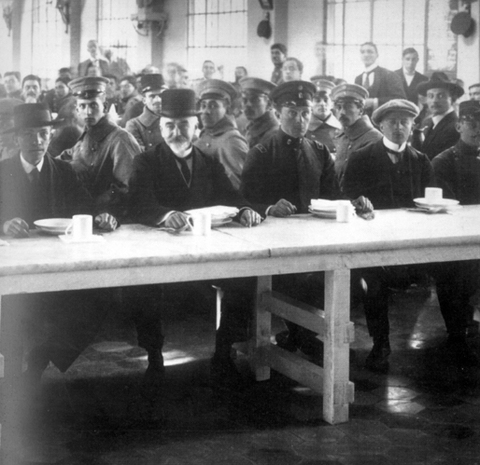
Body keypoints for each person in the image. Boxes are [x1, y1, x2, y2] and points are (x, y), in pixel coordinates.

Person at [128, 88, 263, 382]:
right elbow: (138, 204)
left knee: (245, 278)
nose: (176, 132)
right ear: (160, 128)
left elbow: (232, 195)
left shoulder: (208, 161)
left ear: (196, 127)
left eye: (183, 125)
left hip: (204, 251)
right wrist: (165, 215)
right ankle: (154, 355)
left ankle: (224, 349)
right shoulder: (146, 161)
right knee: (143, 286)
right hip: (159, 252)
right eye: (169, 126)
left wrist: (244, 210)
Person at [343, 99, 477, 371]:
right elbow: (345, 197)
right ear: (381, 125)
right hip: (375, 245)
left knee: (454, 268)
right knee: (371, 279)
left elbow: (432, 200)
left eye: (404, 122)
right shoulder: (361, 157)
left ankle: (457, 337)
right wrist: (358, 204)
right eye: (392, 122)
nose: (398, 127)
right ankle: (381, 344)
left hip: (415, 246)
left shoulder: (421, 160)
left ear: (413, 126)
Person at [241, 80, 371, 357]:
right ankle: (303, 335)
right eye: (292, 113)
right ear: (278, 113)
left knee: (357, 285)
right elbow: (244, 202)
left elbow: (333, 196)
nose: (300, 120)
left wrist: (353, 203)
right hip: (276, 250)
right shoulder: (261, 153)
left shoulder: (319, 151)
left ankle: (300, 334)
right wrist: (268, 208)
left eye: (305, 113)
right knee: (296, 285)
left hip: (316, 243)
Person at [0, 103, 117, 387]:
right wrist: (3, 225)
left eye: (43, 134)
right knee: (8, 308)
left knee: (103, 296)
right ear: (16, 138)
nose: (37, 141)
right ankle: (12, 374)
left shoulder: (64, 171)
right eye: (29, 134)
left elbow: (87, 208)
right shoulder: (2, 172)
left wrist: (103, 217)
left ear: (50, 136)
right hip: (13, 272)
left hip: (57, 268)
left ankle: (41, 359)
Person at [59, 76, 140, 218]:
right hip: (88, 215)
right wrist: (72, 164)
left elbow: (130, 188)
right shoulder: (87, 135)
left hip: (111, 217)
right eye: (83, 106)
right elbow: (62, 159)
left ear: (105, 107)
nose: (88, 112)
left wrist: (98, 209)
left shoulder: (120, 139)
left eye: (93, 105)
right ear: (77, 109)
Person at [194, 79, 248, 190]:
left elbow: (239, 188)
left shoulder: (231, 141)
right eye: (203, 105)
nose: (206, 111)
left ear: (226, 109)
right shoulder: (206, 135)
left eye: (213, 106)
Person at [331, 83, 382, 186]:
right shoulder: (341, 136)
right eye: (339, 107)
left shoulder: (374, 139)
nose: (342, 112)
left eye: (348, 107)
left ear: (361, 110)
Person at [413, 72, 464, 160]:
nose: (434, 101)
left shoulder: (455, 127)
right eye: (430, 96)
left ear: (452, 98)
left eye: (441, 96)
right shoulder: (429, 122)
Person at [354, 42, 406, 116]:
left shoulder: (389, 75)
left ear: (377, 55)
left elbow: (401, 99)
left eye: (370, 52)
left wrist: (374, 102)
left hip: (383, 118)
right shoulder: (358, 79)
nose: (366, 55)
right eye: (362, 52)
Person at [126, 74, 167, 151]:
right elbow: (139, 154)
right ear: (144, 100)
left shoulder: (175, 120)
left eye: (161, 96)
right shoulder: (134, 125)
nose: (158, 100)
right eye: (152, 96)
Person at [238, 77, 278, 148]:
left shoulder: (274, 135)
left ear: (269, 104)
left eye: (254, 100)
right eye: (244, 100)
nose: (248, 104)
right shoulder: (250, 126)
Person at [306, 77, 342, 153]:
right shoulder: (305, 128)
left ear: (332, 104)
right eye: (317, 100)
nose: (322, 104)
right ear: (311, 104)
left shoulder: (341, 127)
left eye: (326, 100)